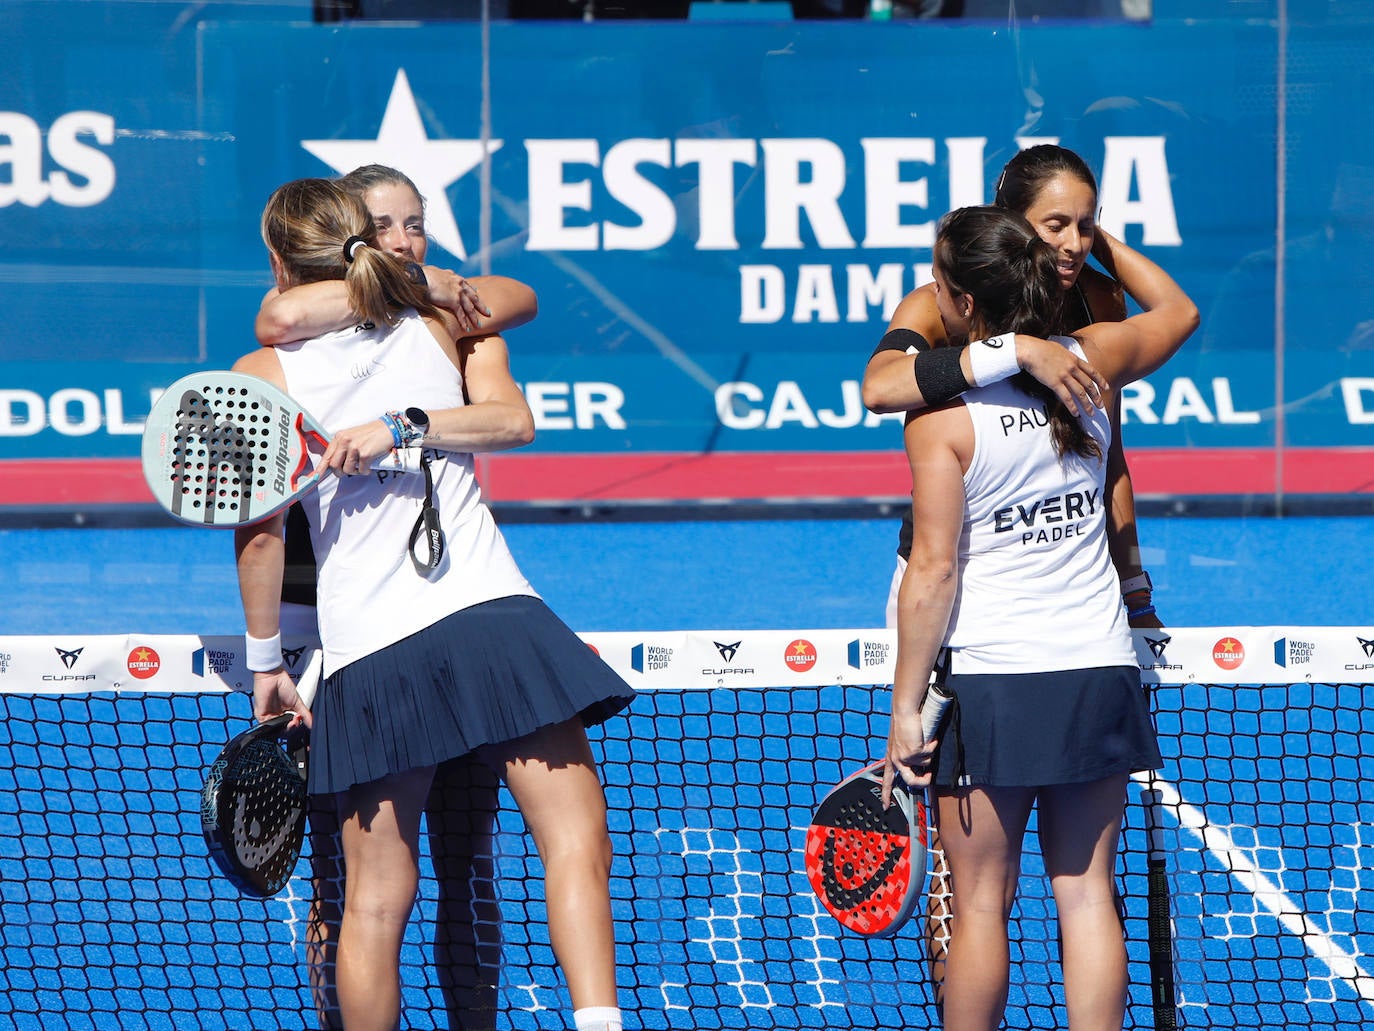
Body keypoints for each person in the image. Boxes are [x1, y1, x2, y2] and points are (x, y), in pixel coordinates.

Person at [235, 177, 634, 1031]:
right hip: (495, 627)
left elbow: (260, 534)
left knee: (373, 904)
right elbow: (506, 354)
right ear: (364, 243)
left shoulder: (260, 374)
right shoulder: (436, 323)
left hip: (373, 655)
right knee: (575, 841)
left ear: (277, 260)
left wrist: (266, 664)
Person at [881, 204, 1197, 1031]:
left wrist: (905, 706)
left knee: (980, 906)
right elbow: (1176, 316)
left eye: (940, 285)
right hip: (1097, 669)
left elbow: (933, 571)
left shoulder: (942, 419)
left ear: (963, 304)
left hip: (994, 687)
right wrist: (1098, 240)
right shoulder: (1097, 362)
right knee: (1087, 897)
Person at [258, 163, 539, 1031]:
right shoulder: (284, 353)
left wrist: (428, 284)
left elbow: (518, 296)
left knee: (468, 861)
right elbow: (280, 314)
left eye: (418, 225)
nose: (406, 240)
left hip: (450, 627)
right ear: (346, 235)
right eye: (387, 226)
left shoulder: (431, 318)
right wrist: (276, 656)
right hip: (335, 646)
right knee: (344, 889)